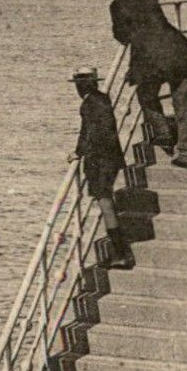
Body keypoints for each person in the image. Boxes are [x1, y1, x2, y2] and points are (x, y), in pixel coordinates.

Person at [110, 0, 187, 168]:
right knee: (183, 101)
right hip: (180, 53)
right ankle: (185, 149)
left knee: (146, 94)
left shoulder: (117, 6)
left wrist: (133, 68)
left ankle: (163, 133)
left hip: (151, 61)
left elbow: (122, 36)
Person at [67, 67, 135, 270]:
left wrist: (79, 152)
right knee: (107, 203)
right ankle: (119, 252)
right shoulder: (102, 99)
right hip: (111, 158)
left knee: (105, 204)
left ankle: (122, 254)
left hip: (100, 161)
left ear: (80, 86)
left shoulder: (88, 104)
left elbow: (89, 132)